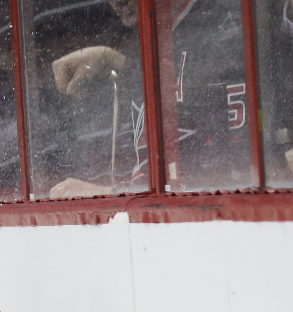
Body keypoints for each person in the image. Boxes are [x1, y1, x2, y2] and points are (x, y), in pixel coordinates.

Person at [49, 0, 250, 197]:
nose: (118, 2)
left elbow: (232, 177)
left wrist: (109, 194)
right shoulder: (154, 35)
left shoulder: (225, 29)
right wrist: (115, 61)